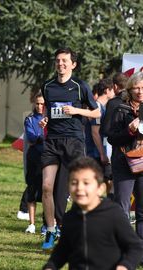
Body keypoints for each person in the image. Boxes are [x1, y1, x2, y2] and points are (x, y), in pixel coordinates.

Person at [40, 47, 100, 251]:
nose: (60, 64)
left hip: (74, 141)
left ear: (73, 64)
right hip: (52, 141)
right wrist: (46, 118)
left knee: (78, 187)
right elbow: (49, 109)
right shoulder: (47, 85)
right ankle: (50, 229)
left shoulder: (80, 86)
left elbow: (95, 112)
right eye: (57, 60)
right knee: (47, 186)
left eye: (64, 61)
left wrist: (75, 110)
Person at [42, 156, 143, 270]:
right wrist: (50, 266)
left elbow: (135, 246)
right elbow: (63, 250)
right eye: (74, 183)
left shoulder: (114, 214)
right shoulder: (70, 217)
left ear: (101, 188)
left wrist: (125, 266)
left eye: (86, 183)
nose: (79, 188)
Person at [108, 71, 143, 243]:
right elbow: (112, 138)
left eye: (142, 88)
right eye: (136, 88)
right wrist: (129, 130)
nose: (140, 91)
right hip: (123, 163)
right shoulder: (120, 109)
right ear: (129, 90)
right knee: (122, 207)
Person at [85, 78, 115, 196]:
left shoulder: (104, 107)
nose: (114, 93)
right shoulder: (97, 107)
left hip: (99, 153)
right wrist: (102, 153)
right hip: (95, 154)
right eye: (113, 90)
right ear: (107, 90)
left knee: (108, 181)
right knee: (95, 184)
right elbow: (95, 132)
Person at [24, 91, 44, 234]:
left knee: (48, 192)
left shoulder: (52, 119)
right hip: (33, 158)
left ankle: (47, 222)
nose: (39, 106)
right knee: (32, 190)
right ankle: (31, 224)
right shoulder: (30, 119)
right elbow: (31, 137)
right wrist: (42, 134)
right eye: (37, 103)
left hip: (48, 159)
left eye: (42, 104)